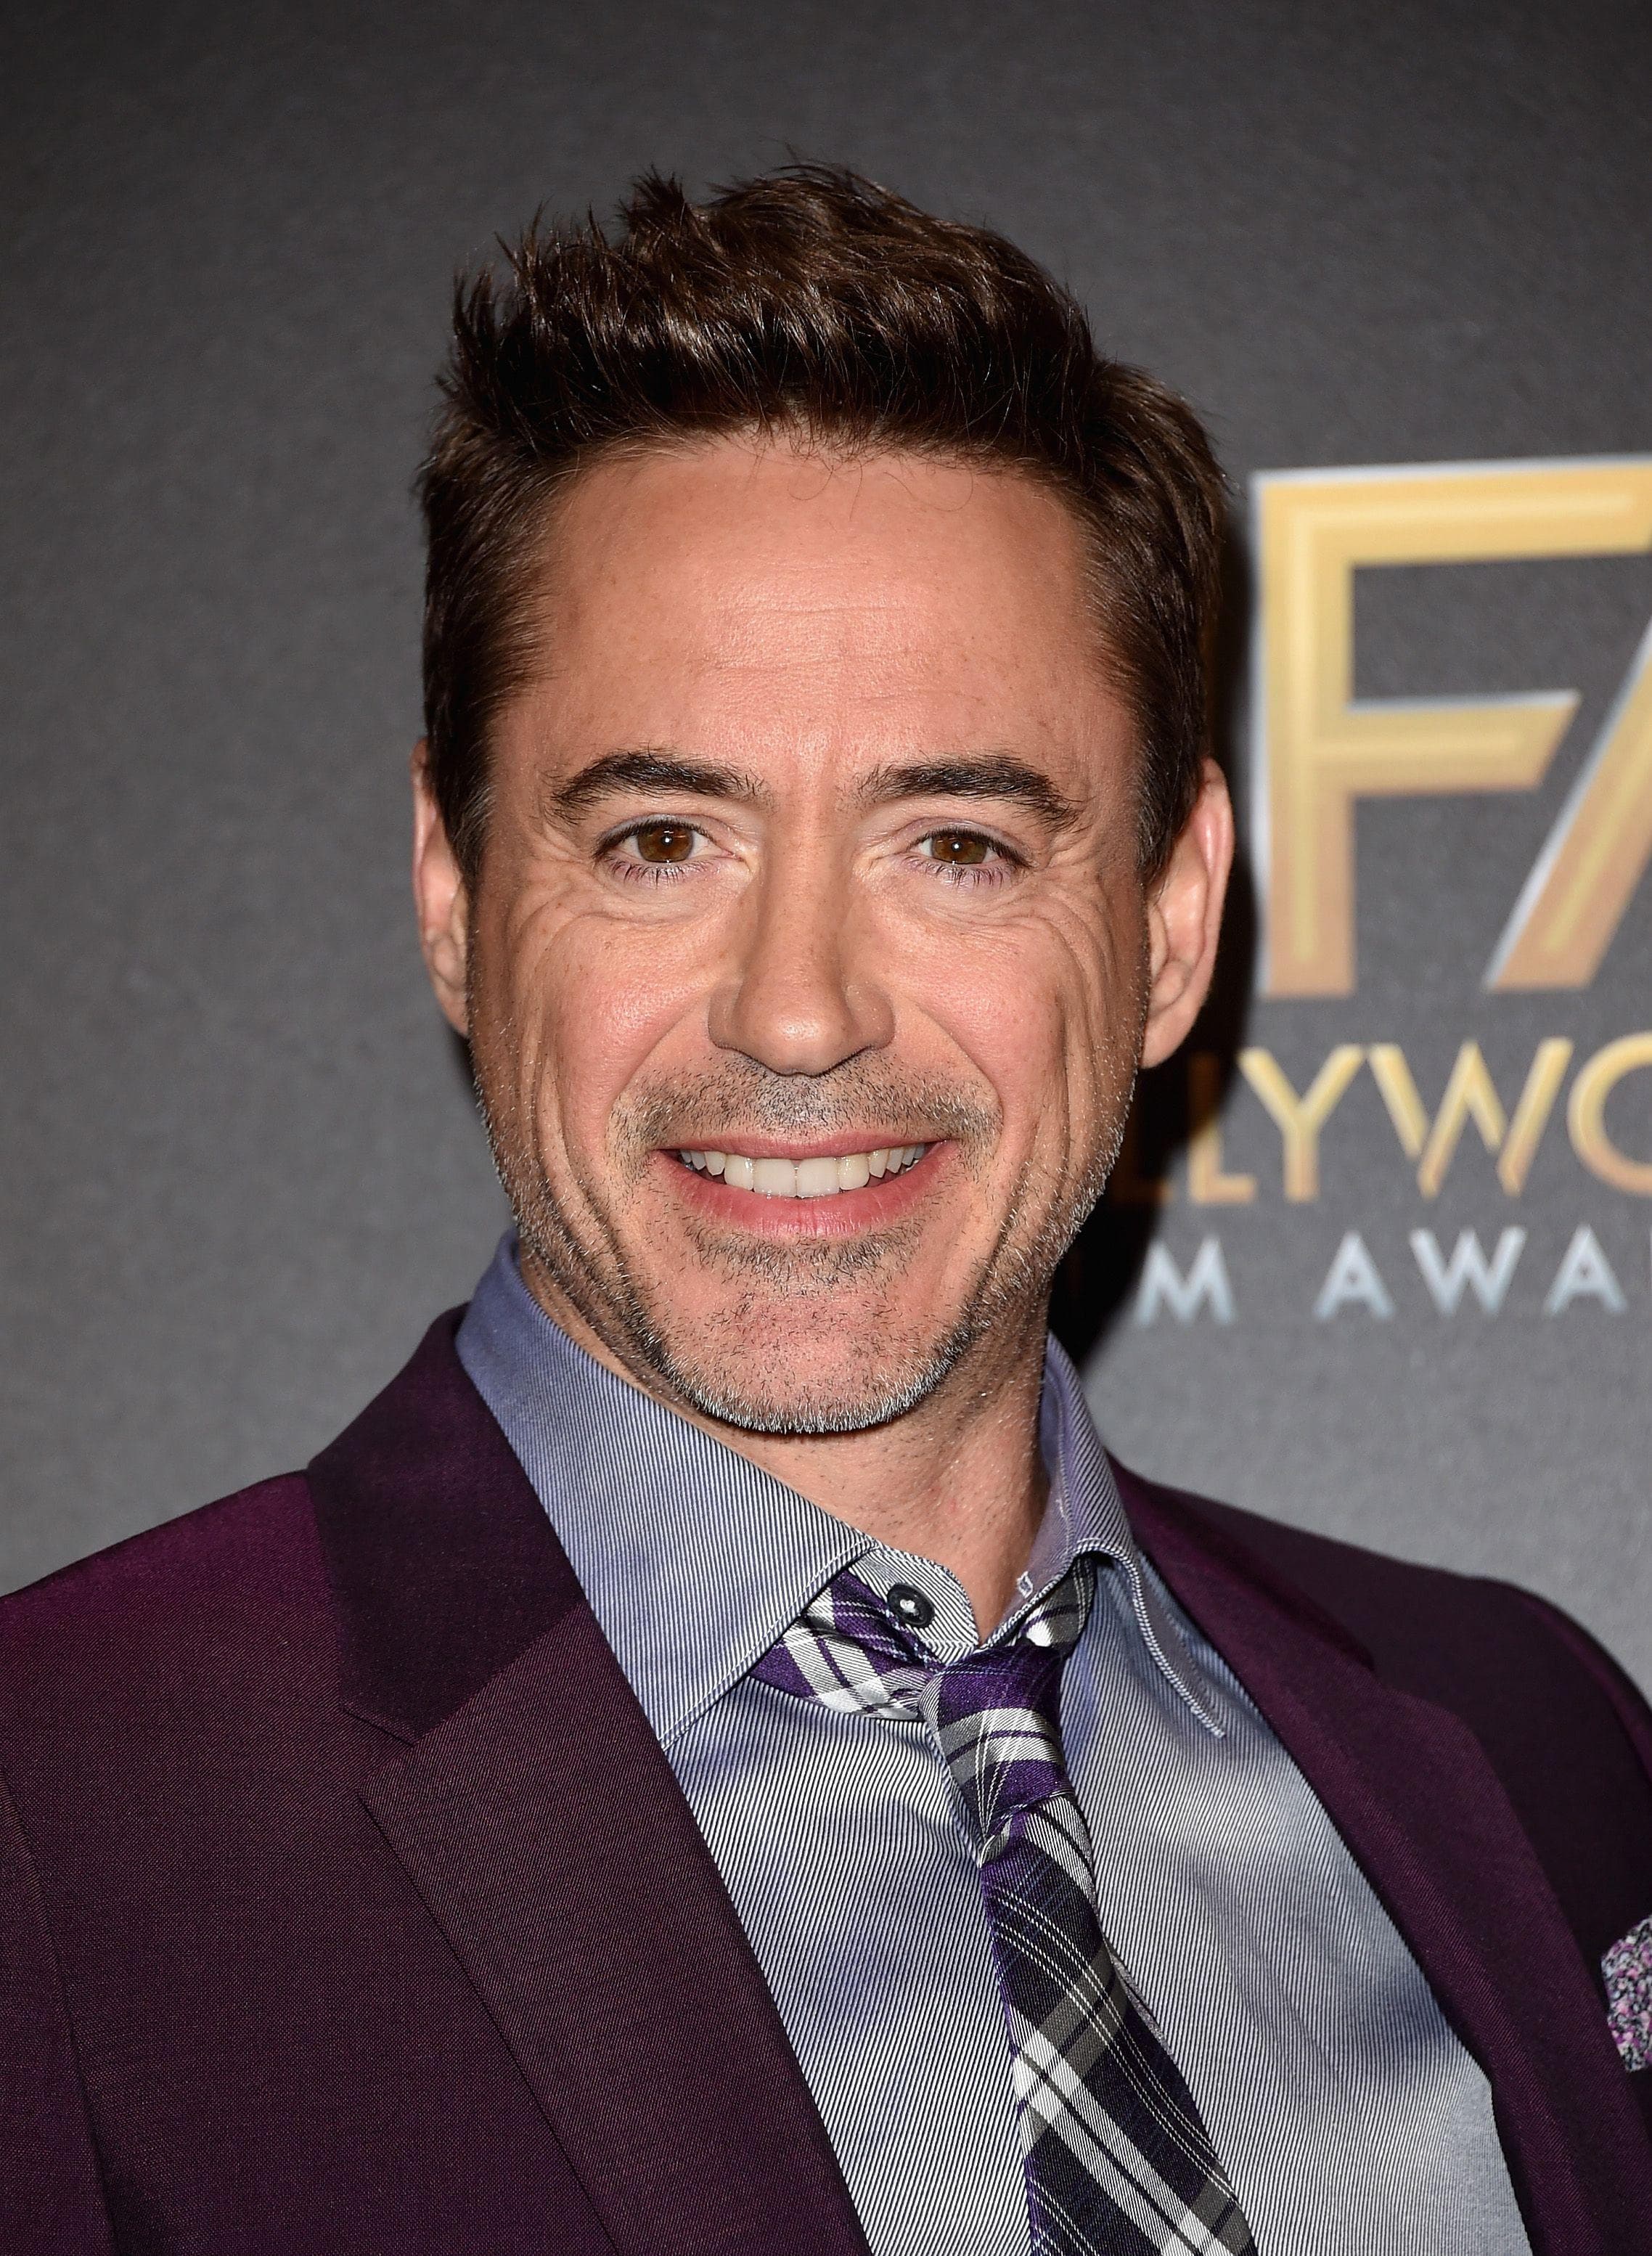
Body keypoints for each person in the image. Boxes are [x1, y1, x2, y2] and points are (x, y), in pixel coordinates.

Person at [2, 165, 1649, 2256]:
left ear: (1168, 921)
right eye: (661, 839)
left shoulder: (1529, 1737)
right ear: (452, 891)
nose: (798, 1008)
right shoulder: (61, 1815)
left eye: (955, 844)